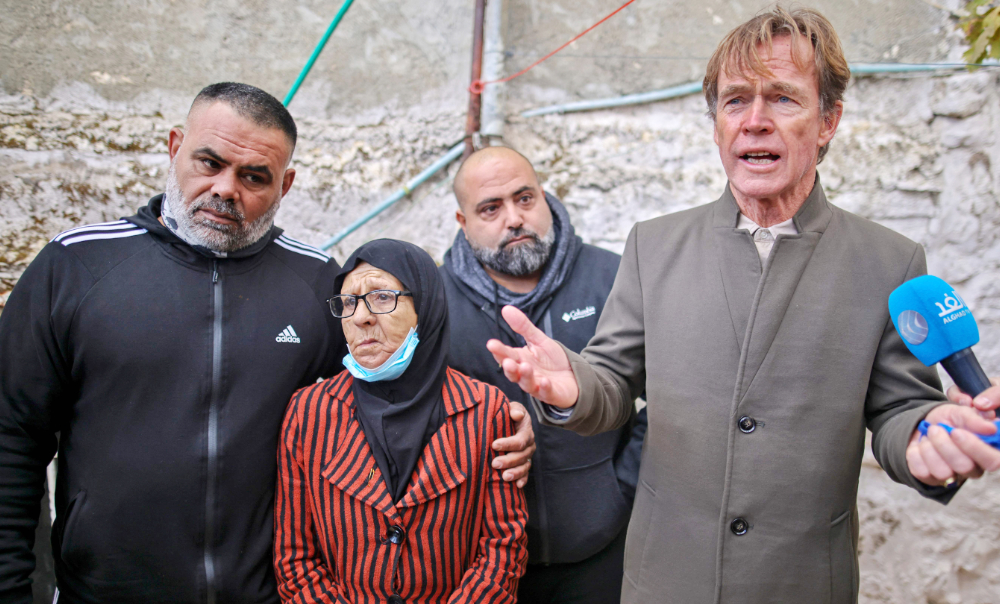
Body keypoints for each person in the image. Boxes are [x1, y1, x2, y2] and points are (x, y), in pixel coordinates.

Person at [485, 7, 1000, 604]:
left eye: (782, 98)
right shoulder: (654, 245)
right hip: (664, 582)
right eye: (735, 101)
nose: (754, 121)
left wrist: (925, 438)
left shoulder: (889, 261)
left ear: (828, 119)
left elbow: (900, 409)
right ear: (716, 125)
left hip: (803, 585)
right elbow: (613, 384)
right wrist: (572, 384)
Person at [0, 82, 534, 603]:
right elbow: (11, 437)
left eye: (255, 175)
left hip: (267, 591)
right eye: (209, 163)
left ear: (286, 185)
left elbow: (392, 383)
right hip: (107, 590)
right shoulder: (77, 265)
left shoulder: (315, 281)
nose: (227, 189)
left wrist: (509, 423)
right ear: (174, 148)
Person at [441, 146, 646, 604]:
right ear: (462, 222)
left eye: (525, 198)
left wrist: (622, 488)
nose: (514, 218)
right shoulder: (434, 303)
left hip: (606, 549)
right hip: (483, 565)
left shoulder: (614, 277)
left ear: (545, 197)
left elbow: (668, 397)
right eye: (490, 208)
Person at [275, 239, 528, 603]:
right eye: (348, 302)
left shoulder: (486, 410)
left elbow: (503, 548)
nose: (360, 317)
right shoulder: (309, 413)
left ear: (425, 307)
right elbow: (294, 555)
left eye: (381, 297)